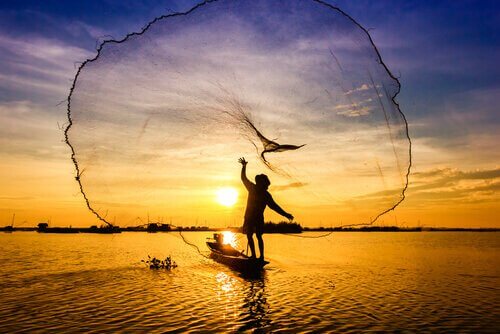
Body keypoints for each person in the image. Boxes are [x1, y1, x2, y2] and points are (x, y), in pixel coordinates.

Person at [238, 157, 293, 260]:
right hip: (249, 218)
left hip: (258, 218)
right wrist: (244, 166)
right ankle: (254, 256)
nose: (265, 186)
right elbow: (243, 178)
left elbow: (274, 206)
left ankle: (261, 257)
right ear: (259, 183)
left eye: (265, 184)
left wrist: (286, 214)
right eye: (263, 184)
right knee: (250, 236)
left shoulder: (266, 195)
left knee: (258, 236)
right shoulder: (252, 188)